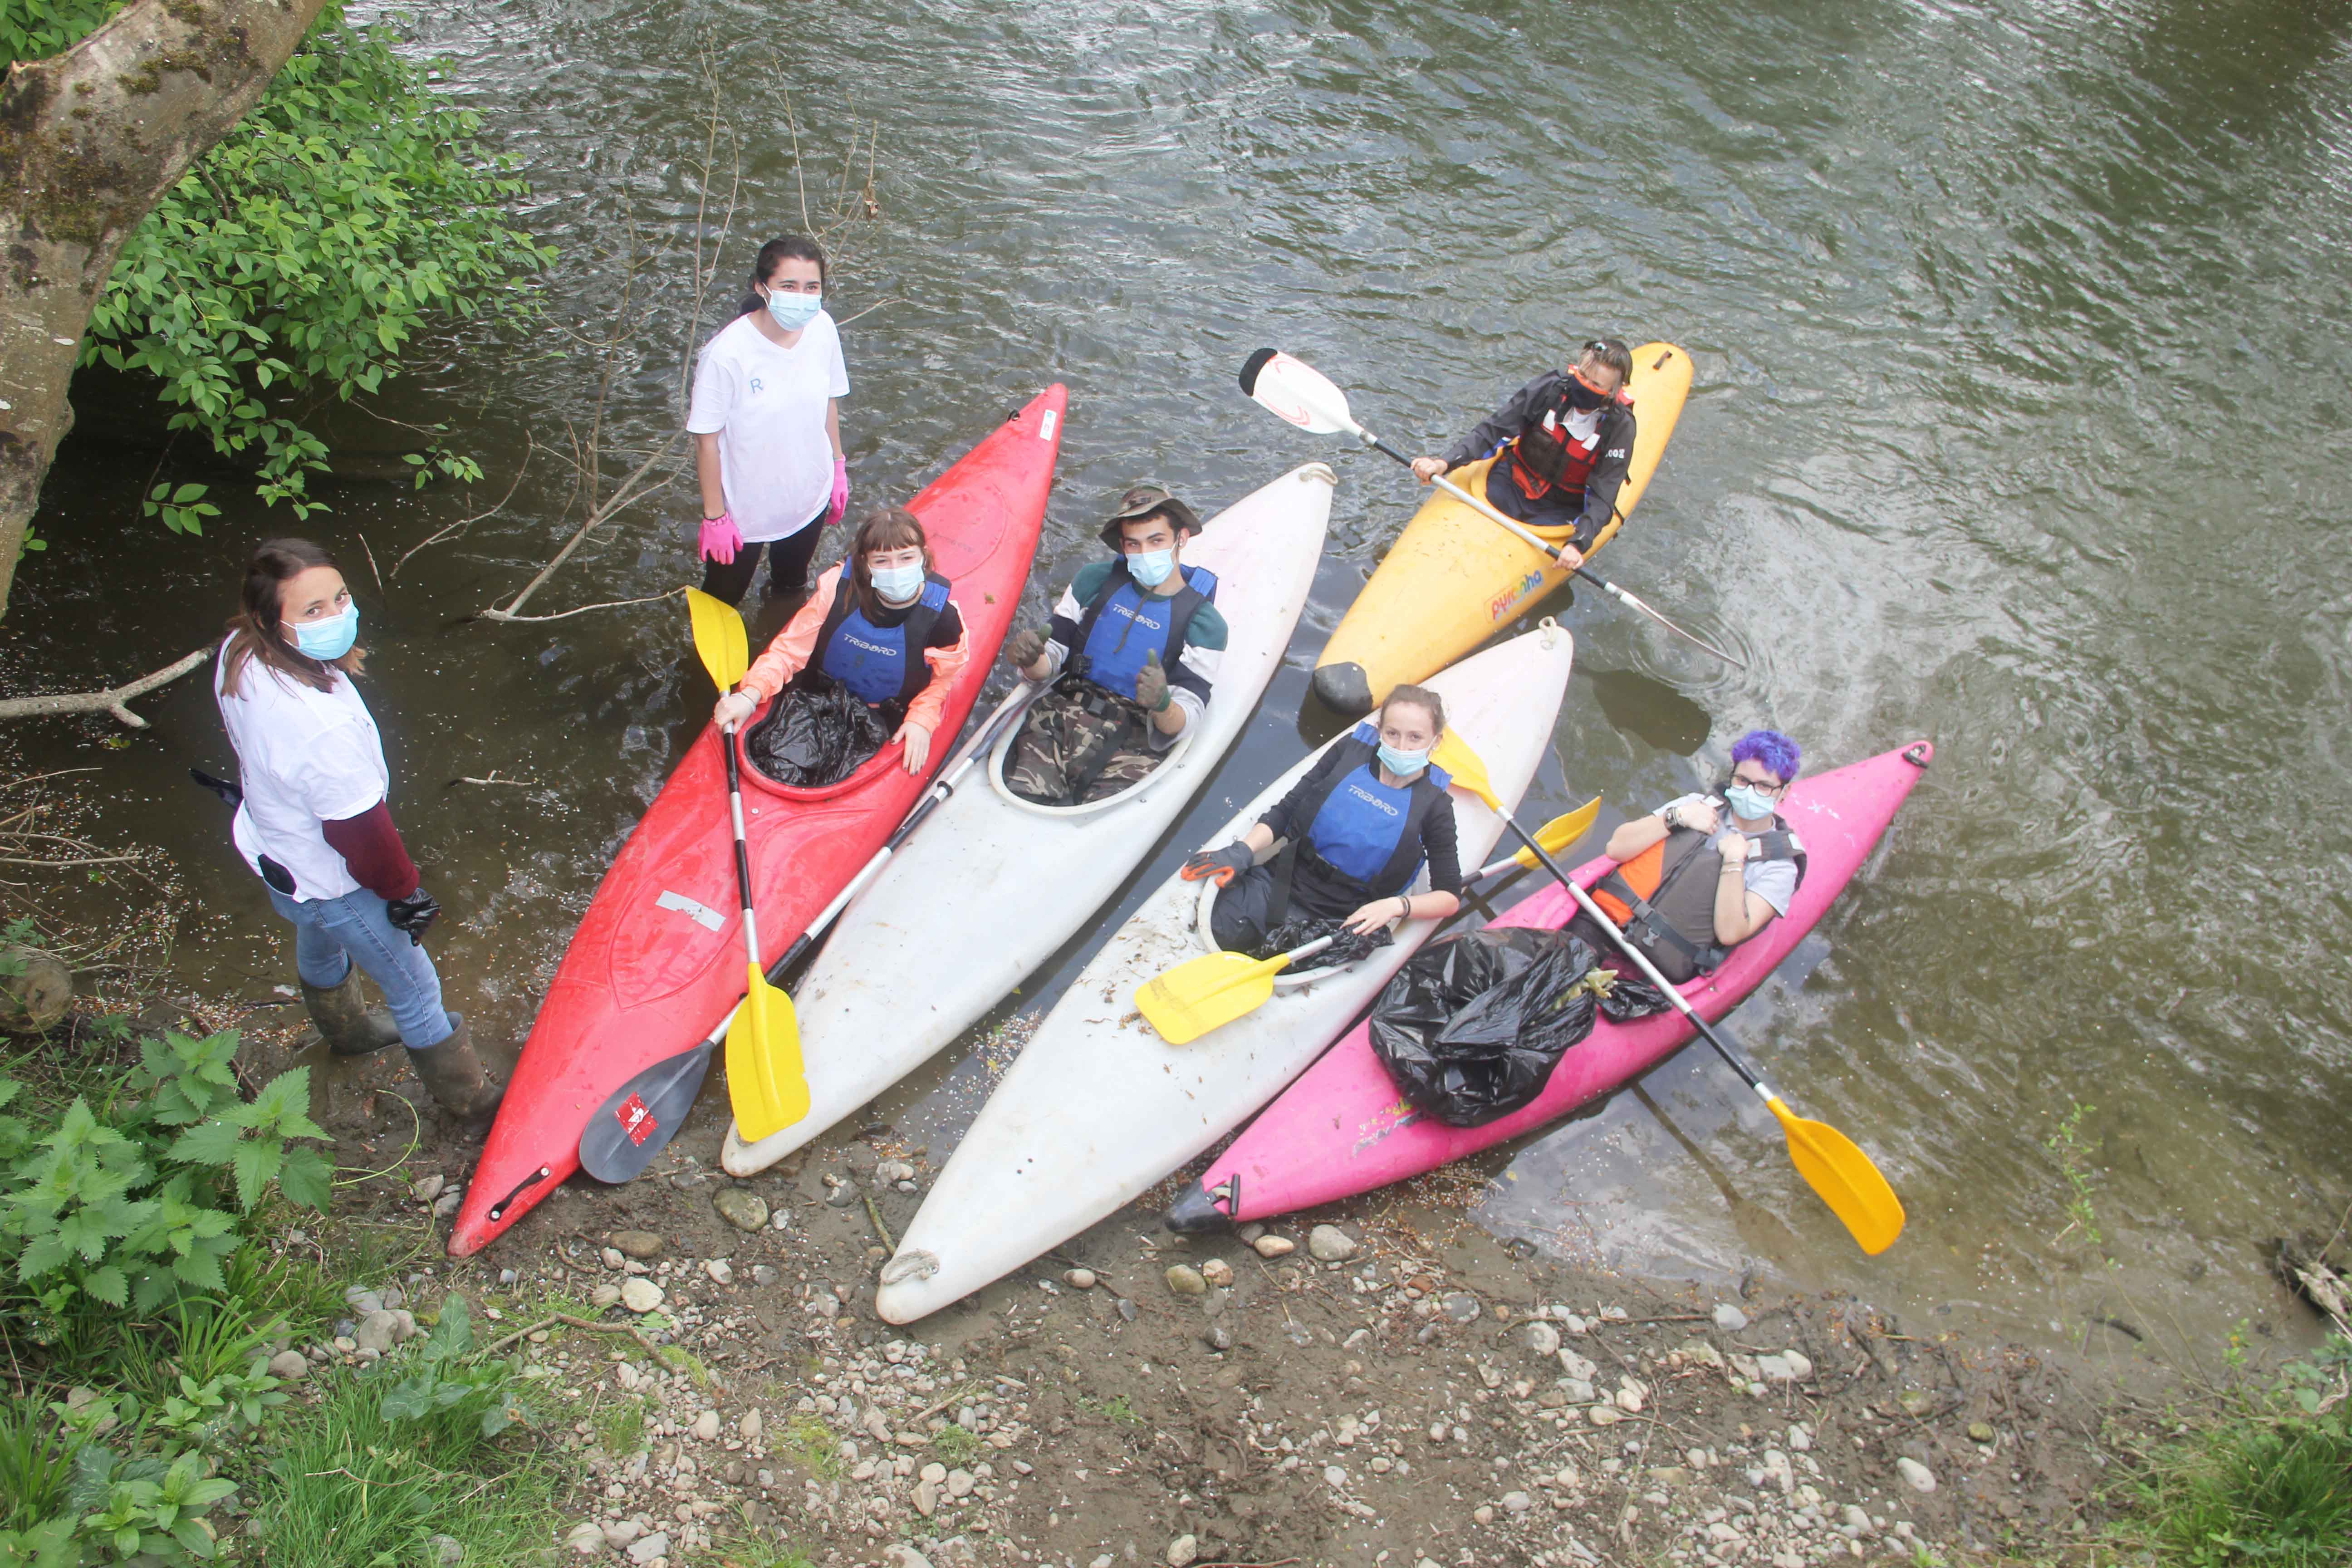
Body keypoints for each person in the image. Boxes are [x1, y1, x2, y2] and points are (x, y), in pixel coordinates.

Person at [210, 539, 500, 1121]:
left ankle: (348, 1033)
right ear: (275, 622)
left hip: (276, 849)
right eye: (313, 610)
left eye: (340, 598)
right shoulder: (319, 731)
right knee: (415, 987)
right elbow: (364, 837)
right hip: (330, 873)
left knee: (316, 933)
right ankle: (471, 1102)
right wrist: (405, 893)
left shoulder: (239, 651)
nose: (338, 615)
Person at [1181, 685, 1463, 951]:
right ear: (1379, 730)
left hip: (1342, 919)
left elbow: (1449, 897)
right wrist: (1244, 850)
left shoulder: (1436, 806)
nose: (1402, 747)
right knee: (1211, 933)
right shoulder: (1348, 754)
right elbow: (1288, 809)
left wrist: (1397, 906)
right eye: (1392, 734)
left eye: (1415, 738)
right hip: (1280, 882)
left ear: (1435, 741)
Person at [1000, 486, 1227, 805]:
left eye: (1156, 540)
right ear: (1123, 547)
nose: (1145, 553)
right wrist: (1030, 659)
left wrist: (1162, 704)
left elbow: (1186, 716)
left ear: (1182, 538)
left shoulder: (1206, 625)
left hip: (1136, 740)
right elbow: (1049, 662)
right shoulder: (1092, 581)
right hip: (1060, 716)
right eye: (1134, 544)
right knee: (1021, 801)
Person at [711, 507, 970, 776]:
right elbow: (789, 652)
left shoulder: (945, 619)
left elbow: (942, 680)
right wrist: (750, 695)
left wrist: (921, 719)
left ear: (923, 558)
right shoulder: (837, 588)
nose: (896, 569)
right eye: (882, 561)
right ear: (865, 563)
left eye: (906, 558)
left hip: (885, 712)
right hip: (818, 694)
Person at [685, 235, 852, 607]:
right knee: (720, 604)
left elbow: (828, 400)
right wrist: (715, 517)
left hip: (809, 495)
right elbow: (706, 441)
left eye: (812, 287)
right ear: (762, 288)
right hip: (746, 511)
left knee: (791, 586)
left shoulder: (822, 328)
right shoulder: (726, 355)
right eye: (788, 286)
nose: (802, 296)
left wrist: (838, 466)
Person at [1578, 728, 1809, 985]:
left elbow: (1732, 932)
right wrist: (1676, 818)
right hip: (1601, 924)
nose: (1750, 792)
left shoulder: (1779, 867)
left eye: (1764, 786)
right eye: (1742, 781)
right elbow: (1617, 848)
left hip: (1658, 969)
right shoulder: (1697, 805)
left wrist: (1734, 862)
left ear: (1784, 792)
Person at [1408, 337, 1638, 571]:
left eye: (1596, 385)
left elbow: (1603, 497)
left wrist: (1579, 544)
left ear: (1612, 392)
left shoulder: (1620, 428)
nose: (1585, 386)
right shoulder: (1551, 389)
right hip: (1509, 483)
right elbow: (1493, 430)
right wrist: (1444, 463)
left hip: (1559, 511)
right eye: (1583, 377)